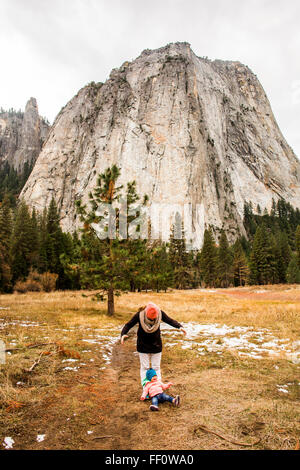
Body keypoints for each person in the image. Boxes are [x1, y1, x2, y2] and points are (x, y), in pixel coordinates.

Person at [120, 302, 186, 384]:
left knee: (156, 367)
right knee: (145, 368)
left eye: (154, 318)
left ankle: (157, 388)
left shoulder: (160, 313)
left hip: (156, 345)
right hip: (142, 345)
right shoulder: (139, 315)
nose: (152, 320)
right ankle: (146, 388)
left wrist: (180, 327)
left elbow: (169, 320)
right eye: (150, 318)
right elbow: (128, 325)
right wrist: (123, 334)